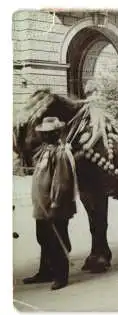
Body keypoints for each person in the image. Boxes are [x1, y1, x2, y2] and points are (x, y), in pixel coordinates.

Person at [23, 117, 77, 291]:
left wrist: (55, 205)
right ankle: (45, 272)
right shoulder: (45, 151)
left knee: (57, 240)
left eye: (48, 133)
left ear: (56, 134)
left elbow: (61, 182)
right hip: (42, 206)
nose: (44, 136)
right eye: (43, 133)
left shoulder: (60, 154)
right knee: (43, 238)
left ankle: (61, 276)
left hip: (54, 207)